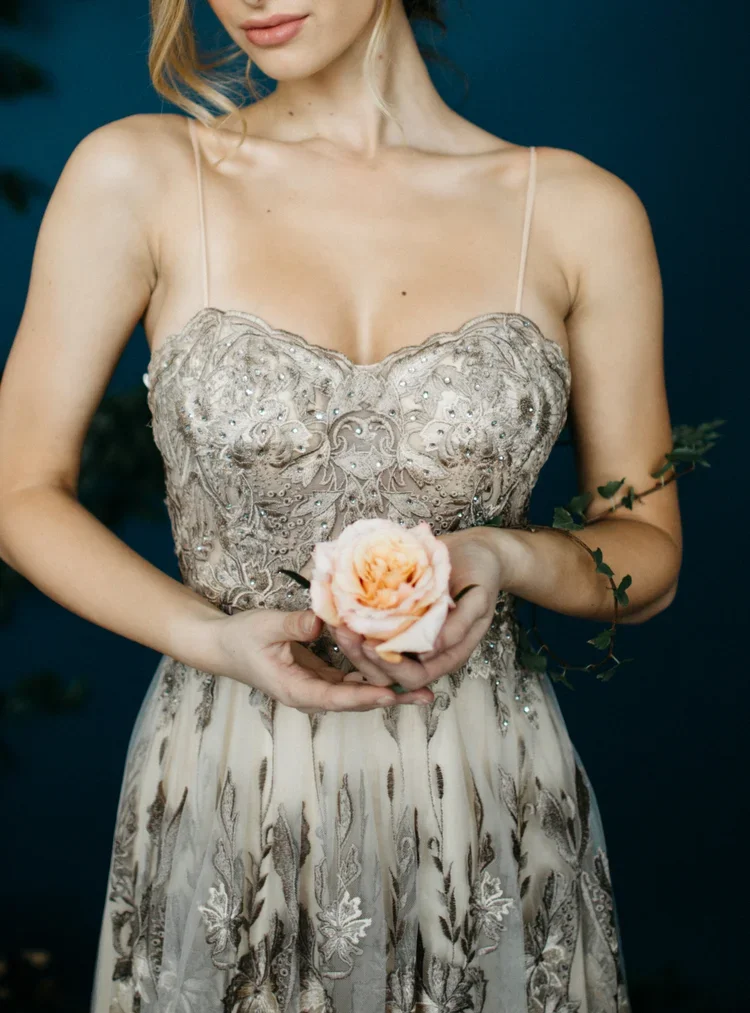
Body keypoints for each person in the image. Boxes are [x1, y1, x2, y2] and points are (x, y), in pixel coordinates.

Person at [0, 0, 682, 1010]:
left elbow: (648, 556)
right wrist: (211, 637)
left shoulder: (578, 210)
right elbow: (17, 490)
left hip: (484, 788)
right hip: (231, 775)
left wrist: (506, 555)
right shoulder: (142, 175)